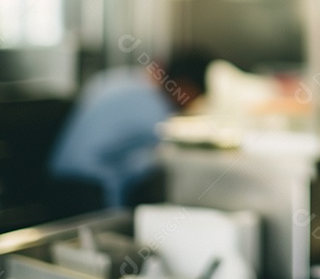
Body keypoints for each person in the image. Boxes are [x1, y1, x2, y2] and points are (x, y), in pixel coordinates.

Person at [48, 53, 209, 212]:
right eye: (195, 97)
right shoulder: (153, 108)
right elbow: (165, 154)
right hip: (84, 185)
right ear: (184, 86)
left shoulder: (129, 79)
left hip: (60, 177)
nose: (192, 104)